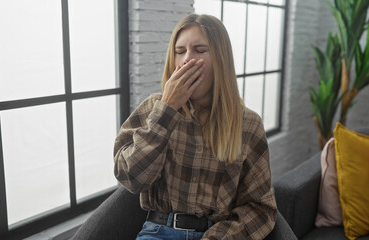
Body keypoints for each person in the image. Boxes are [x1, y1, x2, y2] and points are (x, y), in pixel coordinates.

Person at [114, 13, 277, 240]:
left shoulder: (247, 125)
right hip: (158, 232)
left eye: (200, 50)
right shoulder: (153, 107)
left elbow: (260, 208)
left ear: (221, 59)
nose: (187, 60)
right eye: (180, 52)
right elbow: (131, 178)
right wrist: (167, 110)